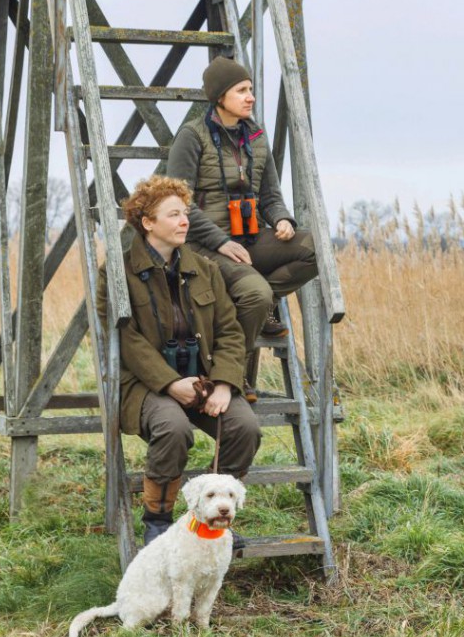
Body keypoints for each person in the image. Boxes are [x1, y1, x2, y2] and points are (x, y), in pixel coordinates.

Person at [97, 175, 261, 546]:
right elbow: (124, 338)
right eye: (173, 215)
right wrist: (171, 383)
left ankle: (212, 518)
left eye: (185, 213)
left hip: (203, 380)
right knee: (174, 429)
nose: (184, 221)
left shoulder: (205, 268)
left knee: (245, 428)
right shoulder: (117, 272)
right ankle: (158, 522)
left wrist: (223, 383)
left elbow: (230, 331)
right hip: (146, 385)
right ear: (148, 222)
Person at [166, 55, 318, 403]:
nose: (250, 97)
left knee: (316, 249)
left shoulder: (257, 137)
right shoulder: (193, 137)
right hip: (203, 245)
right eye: (241, 90)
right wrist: (220, 242)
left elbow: (270, 196)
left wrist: (282, 219)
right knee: (255, 293)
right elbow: (178, 203)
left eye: (250, 89)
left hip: (250, 238)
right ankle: (233, 377)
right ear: (220, 97)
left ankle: (267, 302)